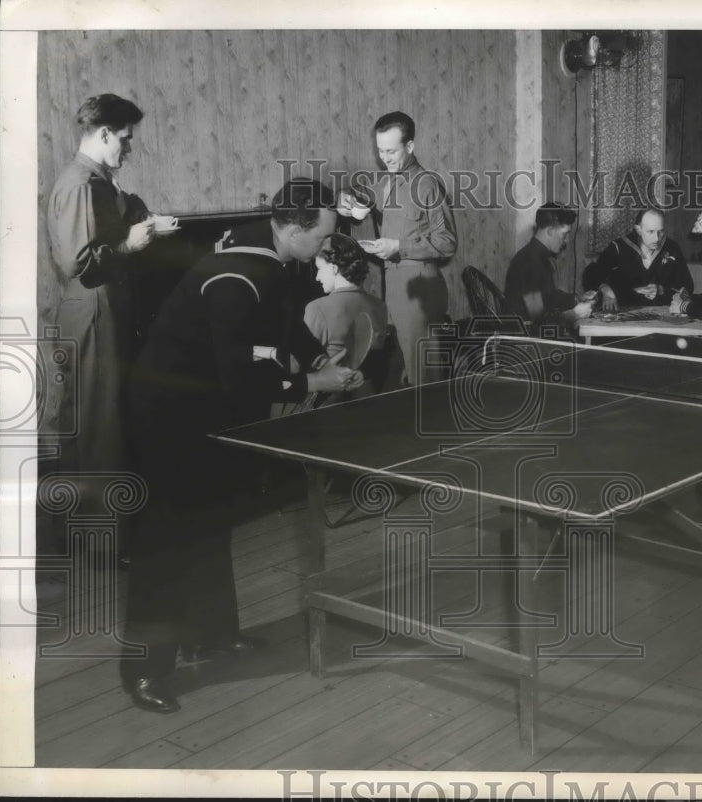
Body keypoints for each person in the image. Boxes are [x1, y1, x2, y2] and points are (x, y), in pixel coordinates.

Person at [121, 179, 362, 714]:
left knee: (211, 521)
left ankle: (211, 636)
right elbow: (240, 381)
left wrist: (319, 359)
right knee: (167, 537)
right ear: (294, 228)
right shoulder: (238, 276)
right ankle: (143, 669)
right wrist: (310, 385)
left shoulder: (272, 249)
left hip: (204, 405)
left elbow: (283, 320)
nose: (326, 248)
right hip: (168, 412)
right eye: (323, 239)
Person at [43, 94, 157, 498]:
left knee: (100, 416)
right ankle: (98, 539)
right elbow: (78, 261)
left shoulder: (96, 180)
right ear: (105, 133)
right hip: (93, 308)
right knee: (99, 421)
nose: (128, 147)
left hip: (101, 307)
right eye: (124, 139)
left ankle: (94, 532)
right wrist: (128, 246)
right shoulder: (80, 183)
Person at [339, 111, 457, 386]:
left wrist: (399, 246)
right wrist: (343, 197)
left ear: (410, 147)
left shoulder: (427, 184)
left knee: (422, 377)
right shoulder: (385, 181)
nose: (385, 158)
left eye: (391, 151)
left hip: (420, 288)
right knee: (401, 372)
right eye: (380, 151)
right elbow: (358, 194)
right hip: (393, 286)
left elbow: (448, 242)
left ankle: (428, 424)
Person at [302, 232, 389, 399]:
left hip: (328, 402)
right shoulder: (380, 306)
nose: (317, 277)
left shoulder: (317, 308)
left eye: (319, 269)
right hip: (367, 398)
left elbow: (300, 365)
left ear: (334, 268)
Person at [504, 203, 595, 332]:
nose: (567, 240)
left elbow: (547, 297)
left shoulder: (535, 256)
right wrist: (574, 315)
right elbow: (537, 320)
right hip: (527, 340)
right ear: (550, 231)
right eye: (565, 234)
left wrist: (576, 298)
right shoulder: (530, 262)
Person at [582, 208, 692, 312]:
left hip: (662, 314)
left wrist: (661, 289)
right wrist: (605, 288)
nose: (657, 238)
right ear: (638, 229)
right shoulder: (619, 247)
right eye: (650, 232)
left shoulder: (672, 248)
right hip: (623, 313)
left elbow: (687, 286)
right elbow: (590, 275)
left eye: (661, 231)